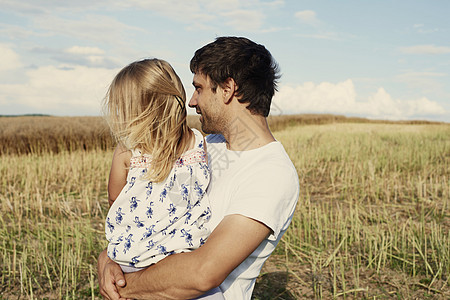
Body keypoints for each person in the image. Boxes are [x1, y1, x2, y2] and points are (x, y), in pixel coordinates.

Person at [98, 36, 300, 299]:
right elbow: (142, 213)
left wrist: (123, 285)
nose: (192, 101)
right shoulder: (202, 147)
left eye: (199, 88)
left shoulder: (272, 174)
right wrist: (107, 259)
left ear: (227, 89)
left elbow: (203, 273)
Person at [102, 58, 224, 299]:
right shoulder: (199, 144)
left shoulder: (128, 151)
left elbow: (115, 198)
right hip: (185, 263)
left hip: (134, 262)